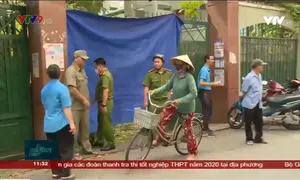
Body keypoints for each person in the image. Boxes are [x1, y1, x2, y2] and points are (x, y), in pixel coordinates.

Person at [150, 54, 198, 160]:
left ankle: (193, 153)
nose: (177, 65)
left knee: (188, 131)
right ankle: (161, 138)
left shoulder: (189, 78)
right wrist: (154, 91)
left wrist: (180, 100)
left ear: (185, 65)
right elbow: (167, 86)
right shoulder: (175, 75)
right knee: (162, 118)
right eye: (176, 63)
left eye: (179, 64)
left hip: (186, 108)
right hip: (175, 105)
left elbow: (194, 94)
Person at [41, 64, 76, 179]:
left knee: (53, 150)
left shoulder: (44, 90)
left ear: (48, 75)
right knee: (66, 148)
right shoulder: (62, 89)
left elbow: (45, 106)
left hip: (48, 124)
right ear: (60, 74)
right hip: (62, 124)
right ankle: (66, 174)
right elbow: (66, 108)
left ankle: (56, 173)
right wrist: (71, 123)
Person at [65, 50, 96, 160]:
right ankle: (75, 153)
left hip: (84, 106)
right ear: (76, 58)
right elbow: (72, 89)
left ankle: (87, 150)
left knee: (85, 129)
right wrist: (84, 100)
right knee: (74, 131)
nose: (85, 61)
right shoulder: (71, 71)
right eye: (83, 59)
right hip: (75, 106)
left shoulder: (82, 71)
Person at [242, 59, 268, 145]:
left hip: (258, 102)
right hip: (249, 103)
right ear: (257, 66)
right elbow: (244, 90)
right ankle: (249, 138)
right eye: (261, 65)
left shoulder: (259, 75)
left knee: (259, 121)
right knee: (248, 122)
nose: (262, 67)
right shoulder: (248, 77)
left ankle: (258, 138)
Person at [93, 57, 116, 151]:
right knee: (101, 122)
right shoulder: (103, 75)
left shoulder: (105, 76)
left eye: (96, 67)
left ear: (100, 66)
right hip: (102, 102)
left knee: (106, 123)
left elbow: (105, 90)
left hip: (106, 102)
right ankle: (99, 140)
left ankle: (111, 142)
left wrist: (104, 104)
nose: (96, 69)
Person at [197, 55, 221, 136]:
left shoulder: (207, 69)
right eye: (212, 59)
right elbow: (201, 82)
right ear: (207, 60)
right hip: (204, 92)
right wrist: (213, 83)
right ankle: (205, 129)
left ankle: (205, 128)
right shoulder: (204, 70)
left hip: (206, 91)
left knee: (207, 110)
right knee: (206, 110)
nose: (213, 61)